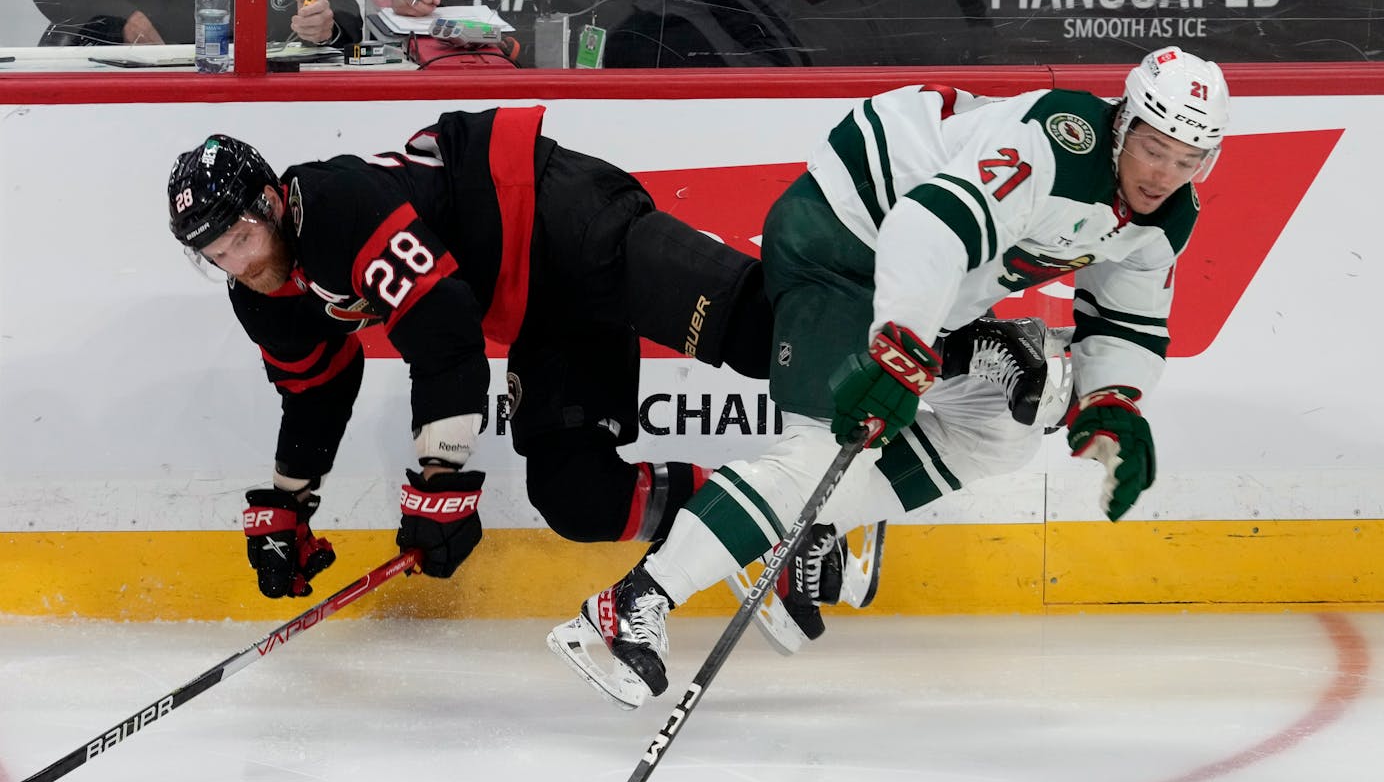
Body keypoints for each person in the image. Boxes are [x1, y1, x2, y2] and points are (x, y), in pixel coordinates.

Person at [547, 45, 1230, 709]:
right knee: (822, 454)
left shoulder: (1169, 218)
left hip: (929, 287)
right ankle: (633, 600)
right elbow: (928, 225)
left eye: (1186, 158)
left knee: (1002, 432)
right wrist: (899, 344)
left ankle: (807, 530)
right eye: (1153, 147)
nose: (1162, 173)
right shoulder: (1059, 143)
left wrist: (1112, 400)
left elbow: (1127, 318)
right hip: (842, 236)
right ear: (1122, 125)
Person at [166, 106, 774, 601]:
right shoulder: (263, 297)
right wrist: (288, 503)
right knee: (578, 495)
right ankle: (773, 519)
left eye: (241, 239)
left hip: (551, 210)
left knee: (754, 329)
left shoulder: (333, 205)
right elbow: (314, 391)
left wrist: (440, 475)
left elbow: (442, 322)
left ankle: (857, 357)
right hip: (540, 308)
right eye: (217, 255)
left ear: (271, 203)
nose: (239, 265)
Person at [35, 0, 360, 47]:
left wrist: (326, 28)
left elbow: (348, 18)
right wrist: (122, 18)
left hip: (267, 100)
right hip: (141, 95)